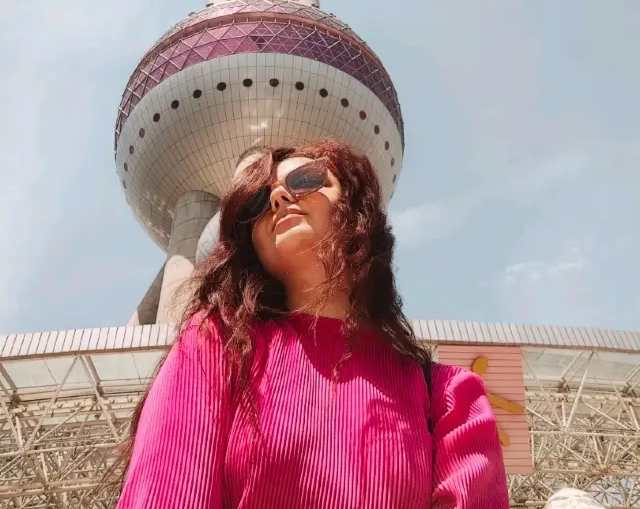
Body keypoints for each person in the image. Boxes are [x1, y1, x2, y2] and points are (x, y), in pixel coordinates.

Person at [115, 139, 509, 508]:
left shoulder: (449, 396)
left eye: (305, 180)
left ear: (358, 207)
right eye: (257, 202)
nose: (278, 197)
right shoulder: (213, 346)